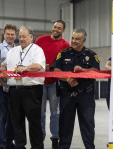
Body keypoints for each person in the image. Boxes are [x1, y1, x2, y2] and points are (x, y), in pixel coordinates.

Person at [51, 29, 100, 149]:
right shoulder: (63, 54)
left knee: (88, 124)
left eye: (77, 39)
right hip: (67, 95)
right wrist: (67, 78)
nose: (74, 41)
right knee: (65, 125)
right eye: (73, 38)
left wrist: (84, 71)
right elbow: (56, 71)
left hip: (86, 96)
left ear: (84, 40)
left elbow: (96, 72)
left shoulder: (91, 55)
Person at [3, 26, 46, 149]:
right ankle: (20, 146)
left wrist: (26, 68)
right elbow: (4, 67)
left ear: (31, 37)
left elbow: (38, 66)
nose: (21, 39)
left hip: (32, 90)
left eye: (24, 37)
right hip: (14, 91)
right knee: (17, 121)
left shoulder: (37, 50)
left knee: (34, 122)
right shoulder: (12, 51)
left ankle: (37, 147)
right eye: (20, 36)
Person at [34, 20, 71, 149]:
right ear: (52, 27)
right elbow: (33, 56)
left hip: (55, 84)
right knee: (41, 113)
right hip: (40, 82)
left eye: (59, 28)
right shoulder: (40, 40)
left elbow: (67, 63)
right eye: (55, 27)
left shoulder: (66, 45)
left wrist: (55, 68)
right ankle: (41, 138)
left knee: (55, 112)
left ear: (63, 31)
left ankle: (55, 138)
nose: (56, 29)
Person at [0, 24, 17, 149]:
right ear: (4, 34)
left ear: (15, 35)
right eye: (8, 34)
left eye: (12, 34)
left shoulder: (19, 49)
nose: (10, 36)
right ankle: (1, 143)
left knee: (13, 117)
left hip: (15, 87)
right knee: (2, 116)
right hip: (2, 87)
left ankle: (9, 142)